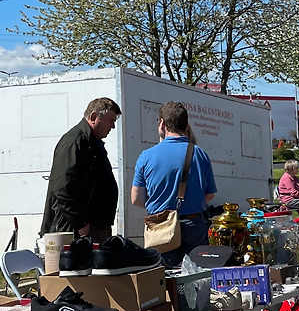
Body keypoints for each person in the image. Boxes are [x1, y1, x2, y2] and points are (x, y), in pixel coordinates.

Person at [131, 100, 216, 267]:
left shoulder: (146, 156)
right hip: (194, 224)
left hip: (161, 227)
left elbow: (136, 199)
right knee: (196, 276)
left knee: (164, 276)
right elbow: (210, 194)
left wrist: (161, 206)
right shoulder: (200, 154)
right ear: (186, 124)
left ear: (162, 124)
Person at [40, 98, 121, 242]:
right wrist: (81, 225)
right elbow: (62, 189)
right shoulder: (74, 142)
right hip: (74, 231)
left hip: (94, 228)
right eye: (111, 121)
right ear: (94, 117)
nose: (113, 127)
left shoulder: (92, 143)